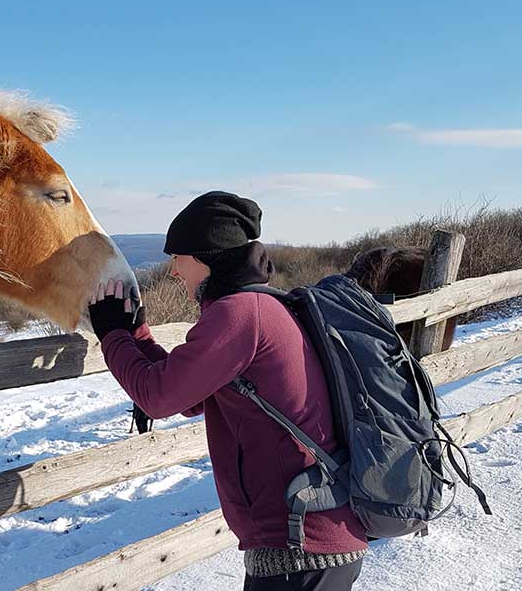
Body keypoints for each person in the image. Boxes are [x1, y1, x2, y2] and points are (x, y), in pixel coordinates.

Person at [88, 191, 367, 591]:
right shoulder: (259, 306)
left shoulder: (238, 314)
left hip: (301, 548)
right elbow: (191, 395)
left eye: (176, 257)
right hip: (308, 539)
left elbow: (160, 397)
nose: (172, 271)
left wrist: (111, 334)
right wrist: (137, 334)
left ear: (203, 258)